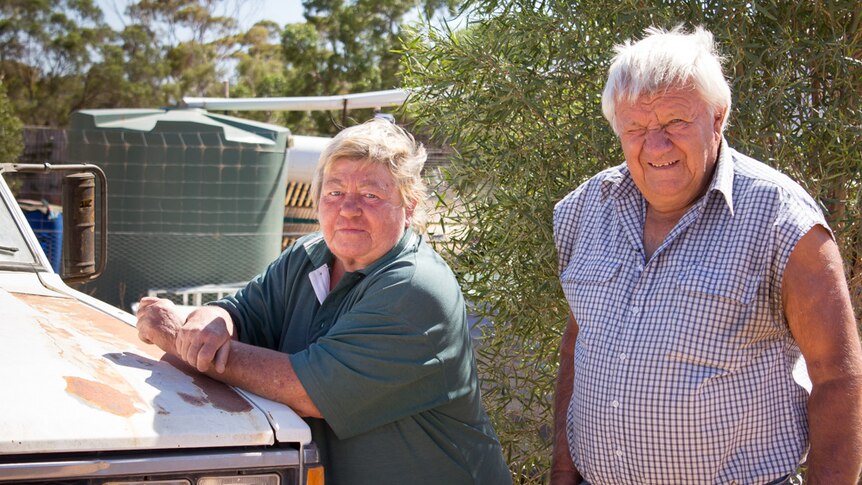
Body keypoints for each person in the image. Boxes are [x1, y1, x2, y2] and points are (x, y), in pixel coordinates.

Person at [551, 25, 862, 485]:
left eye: (676, 122)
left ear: (717, 117)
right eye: (636, 127)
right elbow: (580, 344)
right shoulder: (584, 210)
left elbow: (839, 379)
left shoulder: (782, 221)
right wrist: (562, 471)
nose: (655, 146)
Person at [136, 119, 512, 485]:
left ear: (409, 207)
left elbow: (305, 390)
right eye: (334, 192)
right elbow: (238, 313)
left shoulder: (414, 290)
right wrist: (207, 321)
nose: (348, 208)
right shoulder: (309, 256)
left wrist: (173, 335)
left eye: (371, 195)